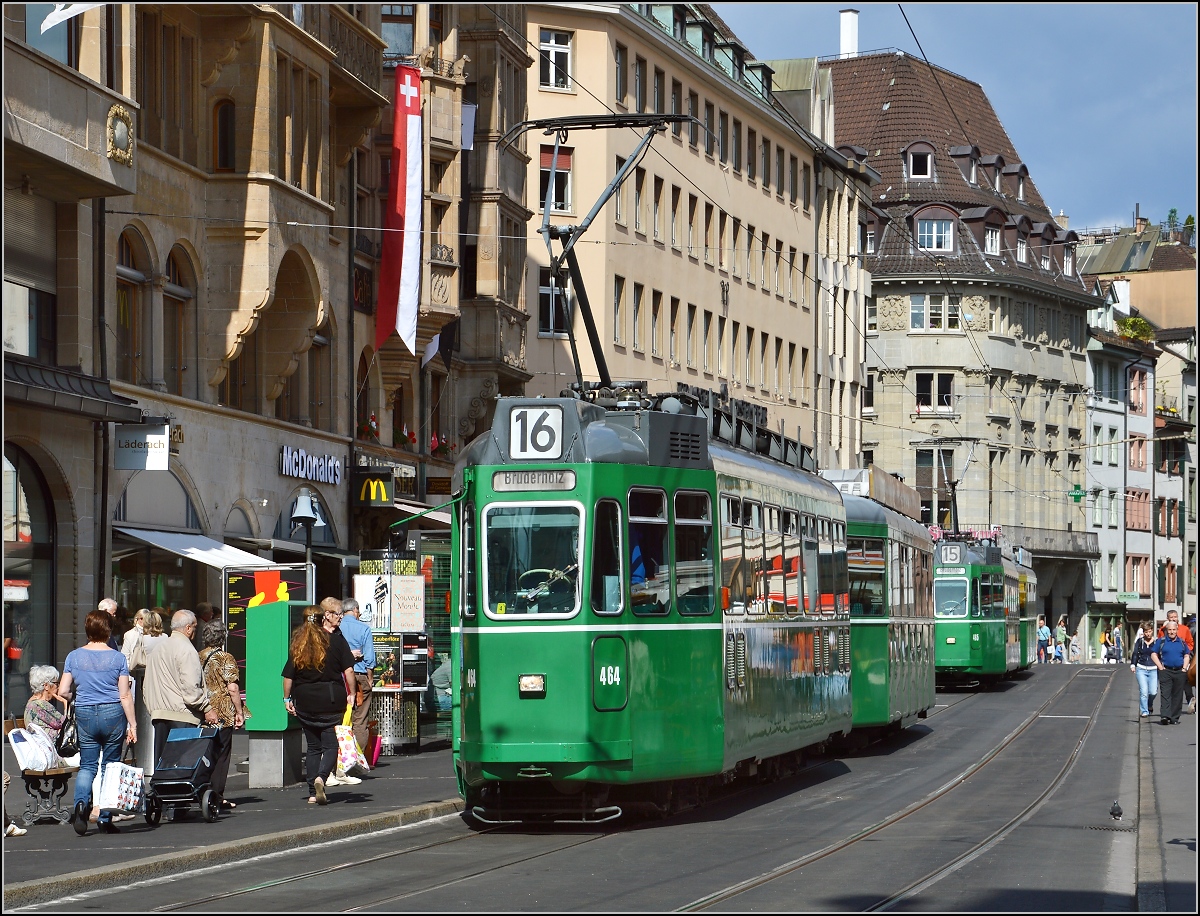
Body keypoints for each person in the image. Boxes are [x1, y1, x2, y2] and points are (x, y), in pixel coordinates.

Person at [58, 610, 137, 835]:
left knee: (88, 765)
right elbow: (124, 695)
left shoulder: (74, 656)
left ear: (87, 630)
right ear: (108, 629)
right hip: (112, 713)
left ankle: (81, 806)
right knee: (109, 767)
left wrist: (77, 698)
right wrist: (133, 724)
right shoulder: (118, 658)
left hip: (85, 712)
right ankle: (104, 818)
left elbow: (63, 690)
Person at [282, 606, 354, 805]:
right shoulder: (336, 641)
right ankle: (322, 777)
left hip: (304, 700)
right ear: (324, 620)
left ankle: (312, 793)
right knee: (330, 744)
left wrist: (286, 699)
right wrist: (353, 693)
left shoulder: (298, 644)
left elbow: (288, 676)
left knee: (313, 746)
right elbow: (348, 671)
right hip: (330, 700)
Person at [142, 610, 218, 772]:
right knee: (181, 767)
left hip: (160, 714)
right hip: (182, 716)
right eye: (195, 628)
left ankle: (162, 796)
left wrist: (153, 709)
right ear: (188, 628)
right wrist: (207, 708)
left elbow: (147, 685)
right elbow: (191, 688)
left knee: (163, 767)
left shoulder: (158, 649)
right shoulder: (187, 649)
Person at [198, 620, 246, 811]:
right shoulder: (226, 658)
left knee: (206, 753)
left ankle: (204, 792)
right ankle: (217, 795)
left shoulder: (198, 656)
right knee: (222, 754)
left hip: (203, 708)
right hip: (223, 710)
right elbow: (233, 688)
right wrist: (239, 712)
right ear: (223, 636)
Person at [338, 597, 375, 771]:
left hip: (338, 679)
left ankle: (339, 759)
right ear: (355, 610)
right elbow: (369, 658)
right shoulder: (364, 628)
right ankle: (358, 761)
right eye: (358, 611)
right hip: (358, 676)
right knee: (360, 720)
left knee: (339, 719)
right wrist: (370, 678)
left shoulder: (335, 628)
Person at [1150, 619, 1191, 725]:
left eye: (1174, 629)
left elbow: (1186, 655)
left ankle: (1174, 717)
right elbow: (1153, 654)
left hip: (1179, 671)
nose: (1172, 632)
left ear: (1177, 630)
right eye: (1170, 630)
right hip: (1166, 671)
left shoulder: (1182, 642)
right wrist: (1160, 667)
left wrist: (1184, 668)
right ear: (1166, 630)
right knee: (1165, 694)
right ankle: (1165, 716)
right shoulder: (1162, 641)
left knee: (1177, 695)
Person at [1157, 610, 1194, 711]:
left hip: (1183, 657)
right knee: (1168, 685)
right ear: (1167, 618)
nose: (1173, 619)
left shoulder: (1185, 629)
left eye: (1175, 617)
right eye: (1171, 617)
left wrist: (1186, 653)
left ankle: (1190, 698)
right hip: (1168, 660)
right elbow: (1159, 644)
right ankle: (1168, 708)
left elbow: (1190, 643)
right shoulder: (1163, 630)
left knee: (1185, 677)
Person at [23, 665, 67, 741]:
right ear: (46, 686)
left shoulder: (31, 703)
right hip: (52, 747)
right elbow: (66, 725)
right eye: (56, 683)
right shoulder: (42, 705)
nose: (58, 687)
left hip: (40, 746)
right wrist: (65, 703)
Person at [1130, 624, 1159, 719]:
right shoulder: (1140, 641)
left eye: (1149, 631)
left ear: (1152, 631)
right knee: (1144, 691)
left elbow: (1160, 655)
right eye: (1146, 632)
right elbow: (1135, 653)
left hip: (1153, 669)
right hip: (1141, 668)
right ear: (1143, 633)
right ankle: (1144, 711)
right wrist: (1133, 664)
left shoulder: (1156, 642)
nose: (1148, 634)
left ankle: (1149, 703)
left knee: (1153, 692)